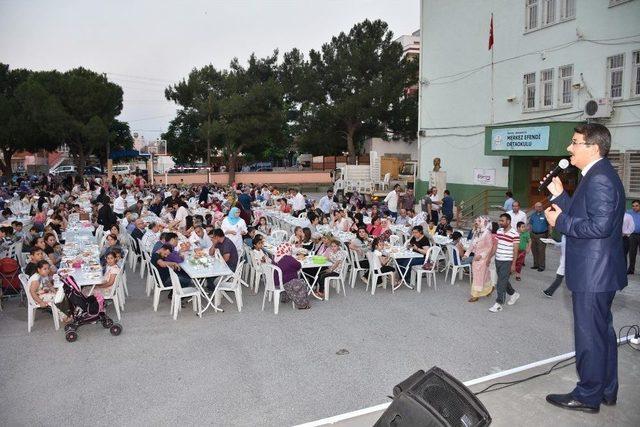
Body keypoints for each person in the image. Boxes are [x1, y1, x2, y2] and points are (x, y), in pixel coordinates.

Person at [543, 123, 627, 413]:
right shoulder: (595, 176)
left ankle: (587, 395)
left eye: (575, 142)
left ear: (593, 147)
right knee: (602, 334)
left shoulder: (599, 179)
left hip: (593, 273)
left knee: (590, 336)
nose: (569, 148)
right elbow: (585, 214)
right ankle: (605, 389)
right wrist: (558, 196)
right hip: (600, 272)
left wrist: (560, 222)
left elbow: (600, 226)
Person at [489, 213, 519, 313]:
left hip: (507, 261)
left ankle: (499, 303)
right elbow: (495, 245)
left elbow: (515, 250)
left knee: (500, 282)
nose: (500, 222)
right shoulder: (499, 231)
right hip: (498, 259)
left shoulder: (514, 234)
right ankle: (514, 294)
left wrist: (514, 264)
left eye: (502, 221)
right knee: (503, 279)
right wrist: (490, 257)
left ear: (508, 221)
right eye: (500, 220)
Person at [465, 216, 495, 302]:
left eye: (478, 221)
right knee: (484, 275)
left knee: (478, 276)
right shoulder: (476, 232)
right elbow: (472, 244)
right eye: (476, 221)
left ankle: (475, 294)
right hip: (476, 257)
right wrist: (466, 254)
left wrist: (481, 256)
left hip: (483, 258)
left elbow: (489, 247)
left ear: (484, 222)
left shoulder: (487, 233)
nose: (476, 222)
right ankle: (489, 289)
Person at [273, 242, 310, 309]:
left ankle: (286, 297)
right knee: (301, 282)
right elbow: (299, 266)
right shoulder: (289, 258)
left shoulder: (275, 257)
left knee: (290, 278)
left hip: (276, 282)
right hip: (285, 283)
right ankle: (303, 304)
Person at [529, 202, 549, 272]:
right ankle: (536, 265)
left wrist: (550, 235)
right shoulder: (533, 215)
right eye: (537, 206)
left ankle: (541, 266)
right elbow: (530, 224)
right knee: (534, 250)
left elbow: (549, 225)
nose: (539, 208)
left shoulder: (545, 215)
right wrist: (529, 233)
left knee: (541, 251)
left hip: (542, 235)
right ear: (535, 207)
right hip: (533, 235)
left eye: (540, 206)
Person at [626, 199, 640, 274]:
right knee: (632, 253)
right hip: (632, 235)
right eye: (633, 206)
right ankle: (631, 270)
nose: (635, 207)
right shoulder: (629, 213)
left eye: (637, 206)